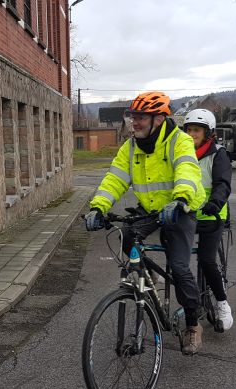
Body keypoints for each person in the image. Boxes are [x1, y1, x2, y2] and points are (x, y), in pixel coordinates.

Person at [83, 91, 207, 355]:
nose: (134, 123)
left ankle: (193, 325)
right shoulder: (130, 147)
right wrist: (97, 207)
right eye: (132, 117)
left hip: (180, 207)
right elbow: (115, 179)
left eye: (141, 117)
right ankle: (147, 276)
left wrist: (181, 199)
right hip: (151, 209)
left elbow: (187, 170)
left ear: (159, 119)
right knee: (126, 236)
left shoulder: (180, 142)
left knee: (179, 267)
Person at [182, 108, 233, 333]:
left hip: (212, 214)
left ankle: (222, 304)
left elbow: (222, 183)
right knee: (173, 253)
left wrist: (215, 203)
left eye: (197, 130)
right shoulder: (181, 153)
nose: (192, 134)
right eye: (189, 130)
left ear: (208, 133)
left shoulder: (218, 154)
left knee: (206, 259)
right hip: (187, 214)